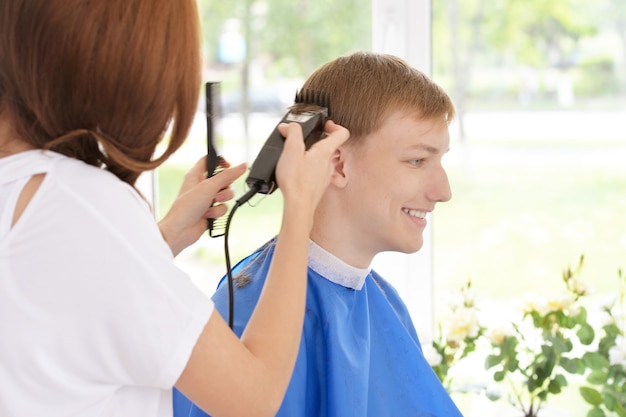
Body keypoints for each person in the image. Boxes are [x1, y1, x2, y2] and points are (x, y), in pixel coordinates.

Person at [0, 1, 349, 417]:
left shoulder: (28, 191)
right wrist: (301, 205)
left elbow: (56, 300)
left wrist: (162, 239)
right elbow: (252, 398)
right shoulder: (79, 200)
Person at [173, 51, 464, 417]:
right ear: (336, 164)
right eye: (417, 161)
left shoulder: (382, 300)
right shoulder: (248, 320)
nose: (443, 191)